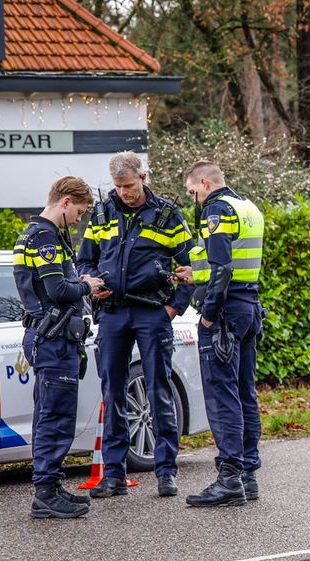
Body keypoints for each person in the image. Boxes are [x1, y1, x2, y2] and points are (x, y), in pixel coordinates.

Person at [76, 151, 193, 499]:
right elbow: (85, 259)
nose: (124, 192)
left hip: (152, 312)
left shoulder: (168, 215)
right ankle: (113, 474)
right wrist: (93, 281)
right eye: (118, 186)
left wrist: (174, 308)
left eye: (128, 185)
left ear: (142, 177)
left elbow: (190, 266)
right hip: (112, 313)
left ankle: (166, 472)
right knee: (113, 391)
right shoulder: (101, 212)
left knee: (159, 389)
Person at [14, 176, 104, 518]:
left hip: (48, 337)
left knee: (49, 414)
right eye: (78, 212)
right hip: (53, 339)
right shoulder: (45, 237)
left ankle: (50, 487)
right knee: (56, 417)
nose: (78, 219)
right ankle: (47, 494)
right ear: (65, 201)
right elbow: (56, 291)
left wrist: (76, 283)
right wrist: (87, 286)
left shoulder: (31, 235)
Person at [182, 160, 265, 507]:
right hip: (248, 307)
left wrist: (208, 316)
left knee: (222, 395)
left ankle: (228, 477)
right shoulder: (248, 207)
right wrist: (195, 275)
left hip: (225, 314)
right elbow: (230, 264)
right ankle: (247, 475)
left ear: (204, 183)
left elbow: (222, 268)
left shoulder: (216, 209)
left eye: (192, 191)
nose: (193, 198)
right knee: (245, 391)